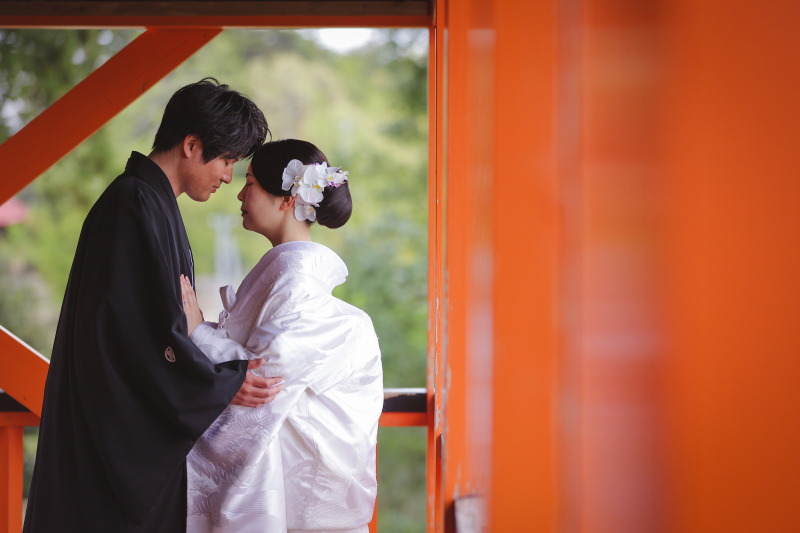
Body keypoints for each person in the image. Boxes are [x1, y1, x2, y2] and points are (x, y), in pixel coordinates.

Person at [23, 78, 283, 533]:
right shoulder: (133, 205)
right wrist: (218, 385)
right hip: (109, 439)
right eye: (226, 160)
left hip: (117, 425)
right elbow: (134, 335)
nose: (227, 175)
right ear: (191, 144)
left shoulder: (148, 202)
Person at [179, 139, 383, 533]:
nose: (238, 192)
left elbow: (263, 380)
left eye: (251, 182)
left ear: (288, 199)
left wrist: (198, 333)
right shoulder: (290, 278)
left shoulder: (297, 283)